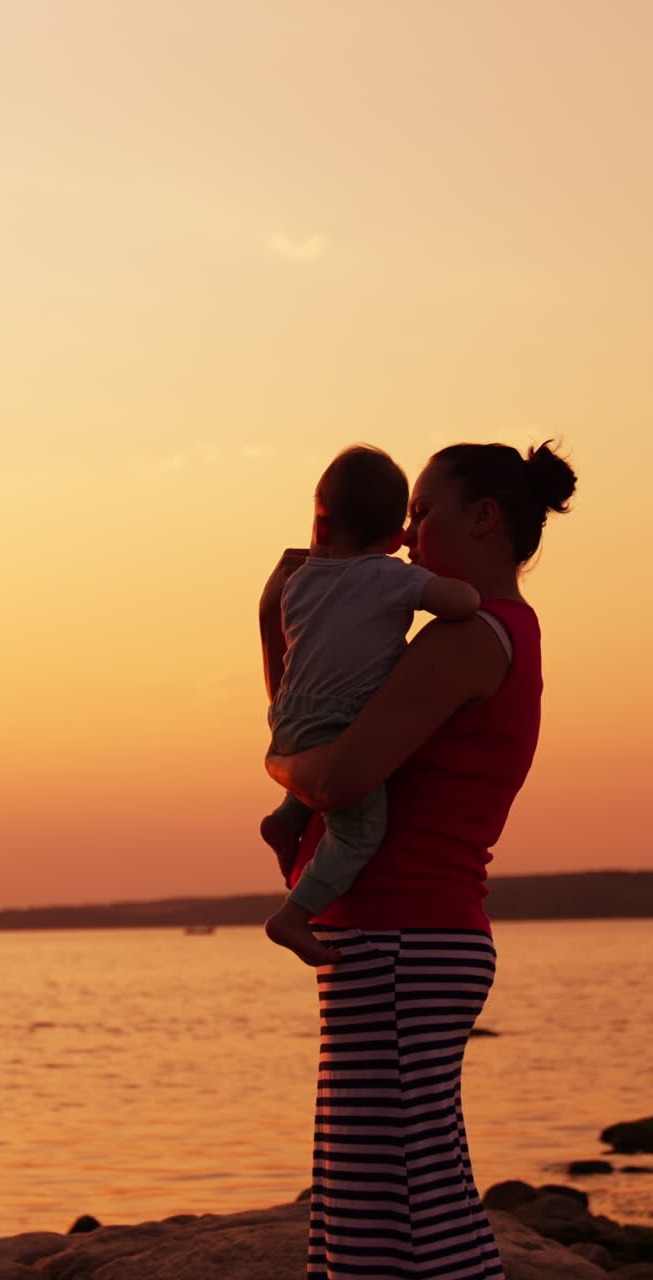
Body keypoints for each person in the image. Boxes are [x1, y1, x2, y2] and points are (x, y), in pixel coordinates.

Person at [259, 440, 577, 1280]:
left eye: (423, 512)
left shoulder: (467, 637)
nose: (405, 533)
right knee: (381, 1202)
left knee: (393, 1213)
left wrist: (278, 766)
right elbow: (318, 717)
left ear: (484, 518)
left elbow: (337, 774)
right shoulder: (480, 634)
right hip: (398, 937)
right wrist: (274, 625)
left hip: (403, 939)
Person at [262, 445, 481, 968]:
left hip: (288, 718)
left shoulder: (299, 581)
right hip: (337, 722)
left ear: (322, 523)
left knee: (314, 747)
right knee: (359, 833)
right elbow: (462, 603)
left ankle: (288, 815)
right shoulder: (390, 578)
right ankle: (293, 915)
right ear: (395, 536)